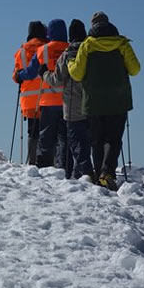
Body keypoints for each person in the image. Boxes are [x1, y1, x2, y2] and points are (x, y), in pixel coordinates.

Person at [67, 12, 140, 190]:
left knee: (97, 140)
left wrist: (70, 62)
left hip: (93, 101)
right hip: (118, 99)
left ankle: (100, 175)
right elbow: (135, 69)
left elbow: (77, 74)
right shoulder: (122, 44)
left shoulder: (87, 45)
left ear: (92, 26)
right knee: (113, 138)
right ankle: (107, 173)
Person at [40, 19, 93, 180]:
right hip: (92, 105)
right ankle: (82, 174)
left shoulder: (67, 54)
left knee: (74, 143)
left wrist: (44, 73)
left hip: (71, 107)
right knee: (86, 143)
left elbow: (57, 80)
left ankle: (80, 174)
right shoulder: (91, 52)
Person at [17, 19, 69, 173]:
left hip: (48, 100)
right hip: (68, 101)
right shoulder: (70, 49)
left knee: (45, 136)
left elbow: (31, 72)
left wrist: (20, 75)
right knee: (63, 137)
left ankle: (44, 167)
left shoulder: (43, 50)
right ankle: (63, 167)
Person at [12, 21, 47, 165]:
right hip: (47, 96)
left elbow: (16, 76)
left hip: (29, 100)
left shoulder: (21, 51)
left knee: (32, 132)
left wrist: (18, 76)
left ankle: (32, 162)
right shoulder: (47, 49)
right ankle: (47, 163)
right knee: (47, 132)